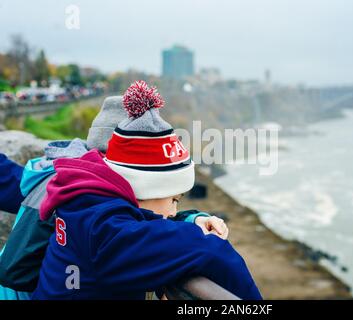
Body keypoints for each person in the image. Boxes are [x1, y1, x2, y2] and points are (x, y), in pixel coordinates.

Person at [32, 81, 261, 300]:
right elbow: (210, 249)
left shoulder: (87, 203)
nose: (173, 211)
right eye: (174, 199)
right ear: (144, 189)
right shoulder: (106, 231)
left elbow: (145, 223)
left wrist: (191, 220)